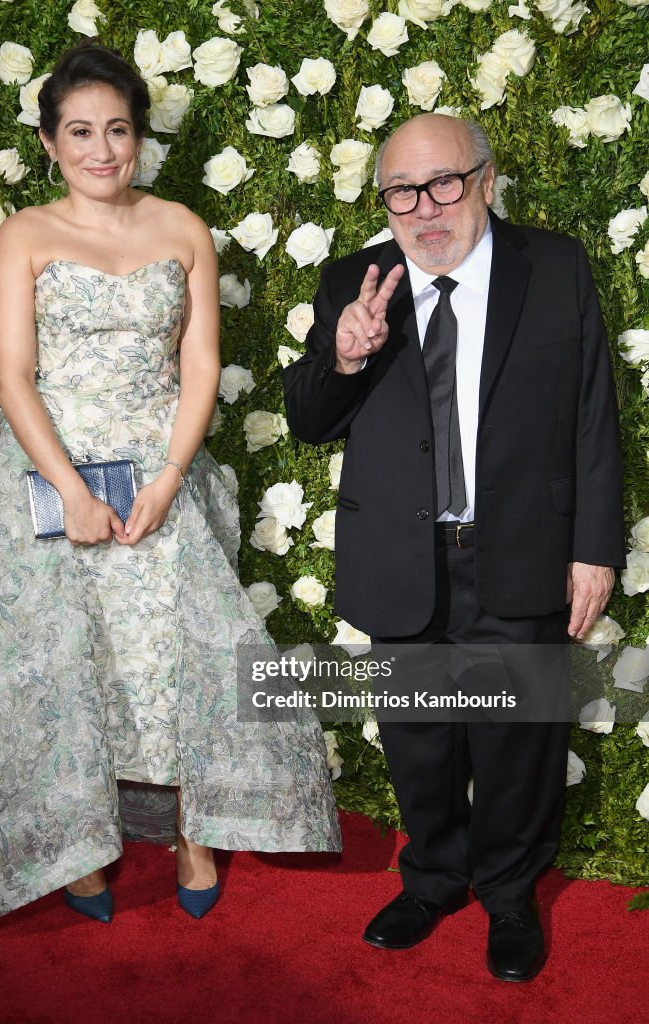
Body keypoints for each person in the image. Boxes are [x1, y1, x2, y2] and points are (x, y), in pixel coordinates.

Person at [0, 42, 340, 938]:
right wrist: (67, 489)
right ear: (50, 143)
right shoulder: (24, 233)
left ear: (138, 135)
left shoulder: (181, 228)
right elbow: (14, 378)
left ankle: (190, 832)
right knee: (67, 661)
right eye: (80, 132)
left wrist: (172, 477)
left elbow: (202, 363)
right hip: (44, 472)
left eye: (118, 129)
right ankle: (84, 839)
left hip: (160, 470)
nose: (102, 149)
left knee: (173, 662)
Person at [283, 114, 624, 982]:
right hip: (403, 558)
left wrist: (594, 547)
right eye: (402, 191)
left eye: (444, 183)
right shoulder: (351, 284)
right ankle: (432, 878)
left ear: (485, 178)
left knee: (519, 744)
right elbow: (310, 420)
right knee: (419, 739)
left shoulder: (554, 267)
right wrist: (345, 356)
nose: (425, 208)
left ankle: (510, 893)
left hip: (521, 551)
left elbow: (593, 414)